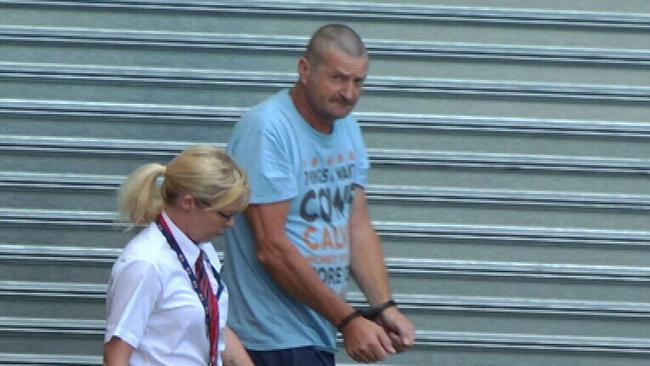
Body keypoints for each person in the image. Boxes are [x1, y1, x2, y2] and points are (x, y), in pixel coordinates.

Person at [223, 24, 416, 365]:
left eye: (358, 82)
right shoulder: (268, 129)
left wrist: (383, 306)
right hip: (270, 340)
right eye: (339, 78)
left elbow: (355, 224)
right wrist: (347, 319)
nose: (349, 93)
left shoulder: (347, 127)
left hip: (316, 332)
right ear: (304, 70)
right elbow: (272, 249)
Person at [103, 146, 254, 366]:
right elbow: (116, 356)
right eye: (225, 214)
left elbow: (213, 327)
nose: (230, 224)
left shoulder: (204, 252)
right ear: (188, 202)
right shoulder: (146, 263)